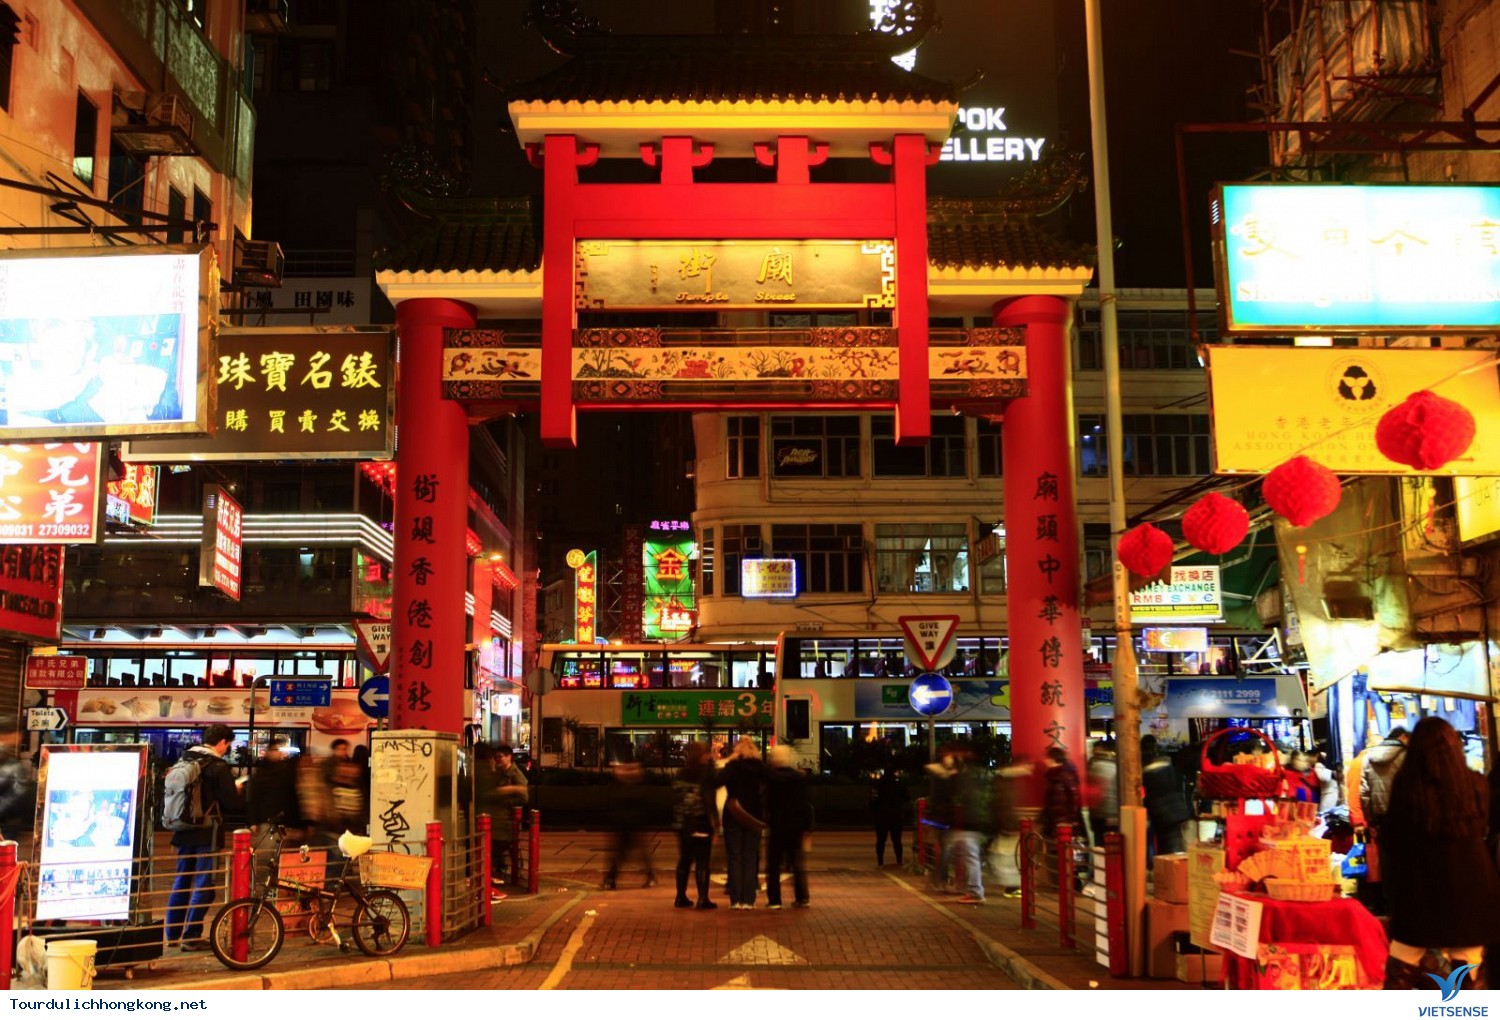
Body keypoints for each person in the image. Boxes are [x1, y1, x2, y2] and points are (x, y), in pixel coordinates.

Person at [1379, 717, 1500, 990]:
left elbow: (1392, 837)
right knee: (1467, 966)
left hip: (1421, 889)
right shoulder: (1476, 784)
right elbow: (1483, 825)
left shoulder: (1407, 787)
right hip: (1473, 886)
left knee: (1402, 962)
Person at [166, 723, 245, 952]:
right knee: (204, 884)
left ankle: (172, 934)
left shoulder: (184, 760)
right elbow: (231, 803)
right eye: (227, 744)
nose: (227, 749)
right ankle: (191, 936)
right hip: (207, 833)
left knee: (181, 881)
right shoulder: (217, 767)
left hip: (182, 830)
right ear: (221, 742)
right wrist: (238, 790)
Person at [716, 737, 767, 910]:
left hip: (734, 815)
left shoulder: (732, 767)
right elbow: (774, 780)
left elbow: (715, 782)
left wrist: (729, 762)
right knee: (750, 857)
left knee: (735, 857)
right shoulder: (759, 768)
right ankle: (749, 900)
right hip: (754, 816)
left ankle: (735, 900)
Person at [763, 745, 812, 909]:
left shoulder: (772, 779)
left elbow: (767, 802)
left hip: (777, 825)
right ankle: (802, 897)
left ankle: (775, 900)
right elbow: (805, 804)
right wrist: (807, 827)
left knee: (774, 864)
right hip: (796, 826)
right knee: (797, 864)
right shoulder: (798, 779)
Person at [671, 742, 717, 909]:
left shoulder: (681, 773)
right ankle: (703, 898)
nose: (710, 756)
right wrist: (715, 823)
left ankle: (680, 897)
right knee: (702, 861)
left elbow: (675, 797)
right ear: (702, 755)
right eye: (708, 753)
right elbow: (709, 799)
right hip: (700, 821)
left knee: (684, 860)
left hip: (682, 824)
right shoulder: (705, 773)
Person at [601, 757, 657, 890]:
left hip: (631, 825)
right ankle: (649, 876)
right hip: (628, 825)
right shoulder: (632, 786)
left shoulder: (628, 788)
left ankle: (611, 879)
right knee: (632, 854)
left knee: (621, 854)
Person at [950, 751, 993, 905]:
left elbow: (963, 802)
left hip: (969, 824)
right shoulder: (978, 778)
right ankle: (972, 889)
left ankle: (975, 891)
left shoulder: (965, 781)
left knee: (971, 857)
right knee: (970, 857)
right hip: (974, 823)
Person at [1140, 736, 1192, 858]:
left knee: (1167, 845)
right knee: (1174, 843)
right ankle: (1176, 868)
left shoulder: (1148, 774)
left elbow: (1150, 796)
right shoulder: (1169, 768)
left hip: (1161, 814)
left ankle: (1171, 870)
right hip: (1177, 812)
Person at [1040, 748, 1083, 888]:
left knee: (1065, 853)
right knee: (1060, 853)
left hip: (1063, 820)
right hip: (1057, 819)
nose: (1045, 761)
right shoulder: (1055, 774)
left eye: (1047, 758)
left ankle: (1071, 884)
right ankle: (1066, 883)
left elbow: (1074, 797)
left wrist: (1071, 819)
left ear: (1053, 759)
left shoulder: (1063, 774)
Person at [489, 743, 529, 882]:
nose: (497, 759)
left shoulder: (516, 775)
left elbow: (523, 798)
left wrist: (505, 804)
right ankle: (502, 871)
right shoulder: (500, 773)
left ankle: (505, 872)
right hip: (499, 819)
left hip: (508, 819)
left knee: (503, 846)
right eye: (495, 757)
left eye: (500, 757)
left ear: (509, 757)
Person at [870, 767, 909, 867]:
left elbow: (873, 800)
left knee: (880, 840)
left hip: (881, 815)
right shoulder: (899, 783)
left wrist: (874, 812)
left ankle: (880, 861)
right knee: (897, 840)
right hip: (895, 814)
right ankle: (899, 860)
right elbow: (906, 798)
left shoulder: (878, 784)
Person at [1086, 740, 1119, 846]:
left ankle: (1099, 862)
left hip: (1096, 813)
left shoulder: (1092, 766)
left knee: (1099, 845)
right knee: (1113, 846)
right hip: (1113, 813)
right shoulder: (1116, 766)